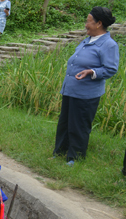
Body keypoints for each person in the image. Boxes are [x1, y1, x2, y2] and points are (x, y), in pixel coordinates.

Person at [53, 7, 119, 166]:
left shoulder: (109, 44)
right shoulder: (88, 40)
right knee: (65, 123)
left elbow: (110, 69)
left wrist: (92, 71)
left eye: (88, 21)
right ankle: (60, 152)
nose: (85, 25)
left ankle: (74, 158)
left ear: (99, 23)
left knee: (79, 126)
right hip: (71, 89)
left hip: (86, 94)